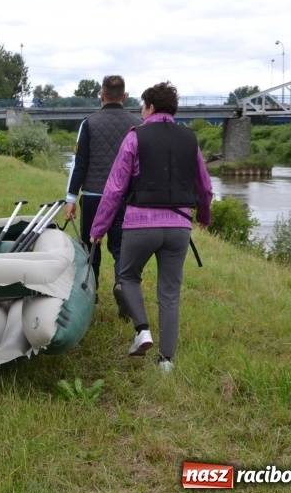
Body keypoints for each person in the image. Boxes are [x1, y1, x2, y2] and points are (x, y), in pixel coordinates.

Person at [90, 81, 213, 373]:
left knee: (128, 276)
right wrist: (204, 217)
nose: (142, 113)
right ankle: (166, 361)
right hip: (179, 228)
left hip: (140, 224)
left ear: (151, 107)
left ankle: (142, 330)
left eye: (143, 107)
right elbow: (205, 187)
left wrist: (98, 229)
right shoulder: (189, 138)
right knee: (170, 292)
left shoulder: (135, 137)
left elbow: (115, 188)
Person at [65, 75, 141, 312]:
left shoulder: (89, 123)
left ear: (102, 96)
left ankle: (90, 295)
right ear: (125, 97)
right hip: (125, 198)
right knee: (121, 248)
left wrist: (70, 198)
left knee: (90, 246)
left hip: (94, 196)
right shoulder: (137, 125)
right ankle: (122, 286)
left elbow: (80, 163)